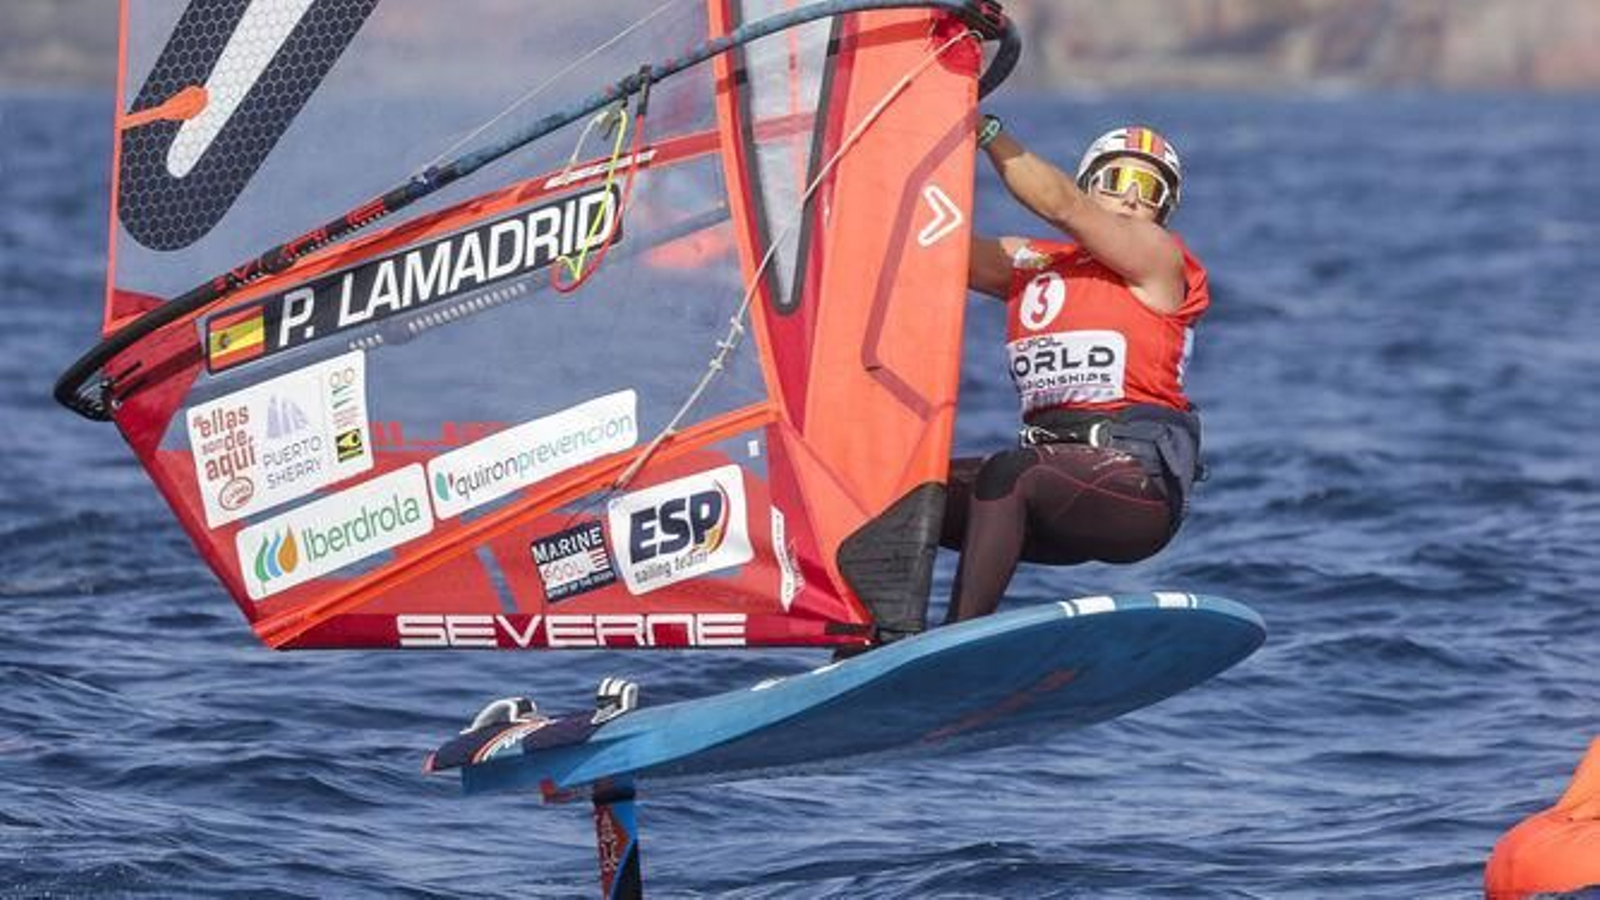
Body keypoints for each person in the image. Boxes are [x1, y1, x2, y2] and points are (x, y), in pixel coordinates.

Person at [939, 119, 1210, 624]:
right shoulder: (1038, 268)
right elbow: (931, 247)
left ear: (1162, 211)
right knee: (908, 494)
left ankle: (952, 641)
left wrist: (983, 128)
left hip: (1135, 491)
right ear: (1091, 185)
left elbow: (1061, 206)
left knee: (1008, 471)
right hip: (1048, 490)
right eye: (1116, 181)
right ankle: (878, 641)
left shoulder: (1159, 260)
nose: (1130, 198)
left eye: (1148, 189)